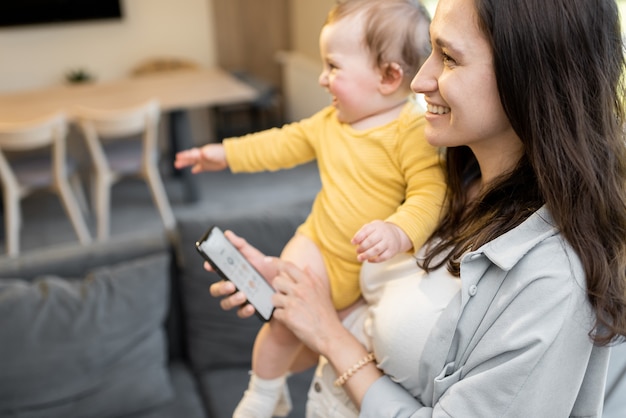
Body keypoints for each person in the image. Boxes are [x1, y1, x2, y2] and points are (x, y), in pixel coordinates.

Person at [209, 0, 626, 416]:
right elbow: (355, 335)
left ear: (530, 74)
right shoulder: (448, 186)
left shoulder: (551, 278)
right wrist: (297, 293)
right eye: (430, 51)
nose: (418, 80)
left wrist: (330, 335)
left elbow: (341, 342)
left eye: (448, 57)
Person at [175, 0, 445, 416]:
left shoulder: (411, 131)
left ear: (389, 76)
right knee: (283, 319)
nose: (322, 78)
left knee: (309, 337)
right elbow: (277, 144)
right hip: (316, 244)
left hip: (362, 273)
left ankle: (274, 386)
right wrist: (223, 154)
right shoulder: (328, 123)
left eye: (333, 67)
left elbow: (430, 194)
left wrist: (398, 230)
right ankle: (263, 394)